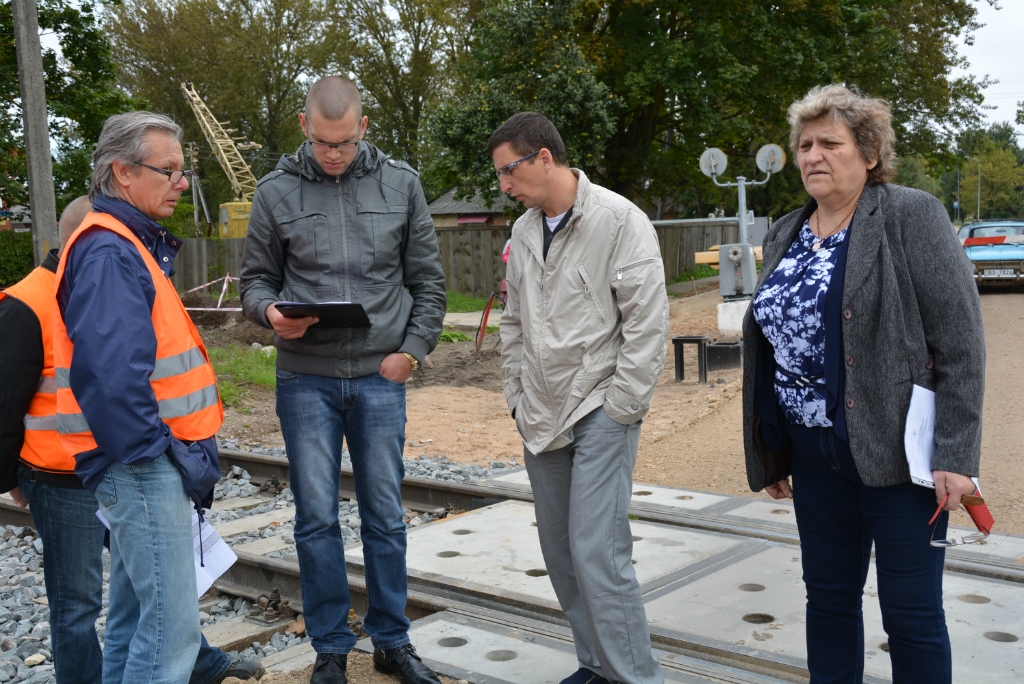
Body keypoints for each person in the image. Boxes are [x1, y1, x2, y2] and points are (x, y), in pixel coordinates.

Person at [741, 84, 985, 684]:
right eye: (804, 145)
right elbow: (770, 350)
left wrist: (956, 457)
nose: (812, 156)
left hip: (899, 458)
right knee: (827, 602)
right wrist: (773, 450)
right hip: (812, 455)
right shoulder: (784, 232)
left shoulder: (910, 215)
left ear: (869, 154)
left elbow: (960, 343)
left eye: (831, 143)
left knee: (911, 614)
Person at [0, 196, 263, 684]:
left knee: (145, 592)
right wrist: (10, 477)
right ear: (79, 239)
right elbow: (6, 399)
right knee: (84, 603)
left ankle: (197, 663)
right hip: (63, 477)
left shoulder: (101, 275)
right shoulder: (35, 298)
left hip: (107, 464)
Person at [240, 76, 446, 684]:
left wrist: (413, 350)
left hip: (383, 375)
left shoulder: (402, 184)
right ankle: (330, 647)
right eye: (326, 142)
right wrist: (270, 313)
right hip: (306, 379)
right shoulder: (273, 192)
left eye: (346, 142)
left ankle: (391, 641)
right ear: (305, 127)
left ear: (363, 128)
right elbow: (255, 281)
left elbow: (429, 282)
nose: (335, 153)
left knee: (385, 513)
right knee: (315, 518)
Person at [492, 112, 669, 684]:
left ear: (545, 157)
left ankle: (636, 677)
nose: (505, 186)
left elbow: (646, 323)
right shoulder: (522, 233)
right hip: (540, 414)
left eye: (509, 170)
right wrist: (516, 396)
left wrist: (623, 405)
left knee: (598, 552)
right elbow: (513, 322)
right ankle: (595, 665)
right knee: (562, 555)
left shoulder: (619, 220)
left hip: (599, 406)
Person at [53, 112, 226, 684]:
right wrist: (158, 453)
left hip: (144, 459)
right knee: (168, 632)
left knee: (134, 619)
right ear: (123, 173)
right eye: (169, 170)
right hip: (143, 463)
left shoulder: (125, 244)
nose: (181, 182)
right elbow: (111, 377)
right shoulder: (111, 251)